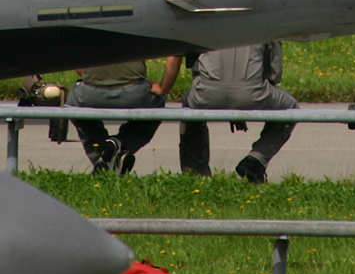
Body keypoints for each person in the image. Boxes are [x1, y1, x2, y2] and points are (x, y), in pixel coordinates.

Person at [173, 42, 298, 184]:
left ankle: (195, 172)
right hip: (251, 92)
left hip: (206, 92)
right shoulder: (265, 21)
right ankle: (257, 159)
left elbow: (195, 66)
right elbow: (274, 74)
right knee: (290, 109)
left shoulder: (204, 21)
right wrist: (242, 101)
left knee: (189, 110)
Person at [67, 56, 182, 173]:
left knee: (73, 104)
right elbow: (174, 55)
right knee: (157, 103)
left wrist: (93, 78)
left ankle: (102, 156)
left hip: (90, 94)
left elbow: (72, 55)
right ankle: (120, 146)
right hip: (134, 92)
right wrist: (164, 88)